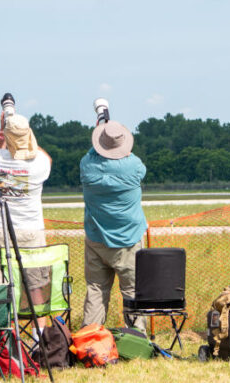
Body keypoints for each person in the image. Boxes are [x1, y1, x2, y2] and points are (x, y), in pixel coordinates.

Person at [0, 113, 51, 329]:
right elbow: (46, 158)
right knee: (35, 285)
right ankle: (38, 337)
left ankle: (4, 334)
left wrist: (2, 133)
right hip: (31, 229)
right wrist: (28, 138)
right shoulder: (39, 163)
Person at [80, 118, 148, 332]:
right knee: (132, 290)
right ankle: (137, 336)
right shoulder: (134, 167)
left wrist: (101, 132)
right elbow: (131, 156)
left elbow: (93, 153)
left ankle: (89, 336)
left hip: (97, 238)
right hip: (128, 240)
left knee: (96, 290)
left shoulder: (87, 166)